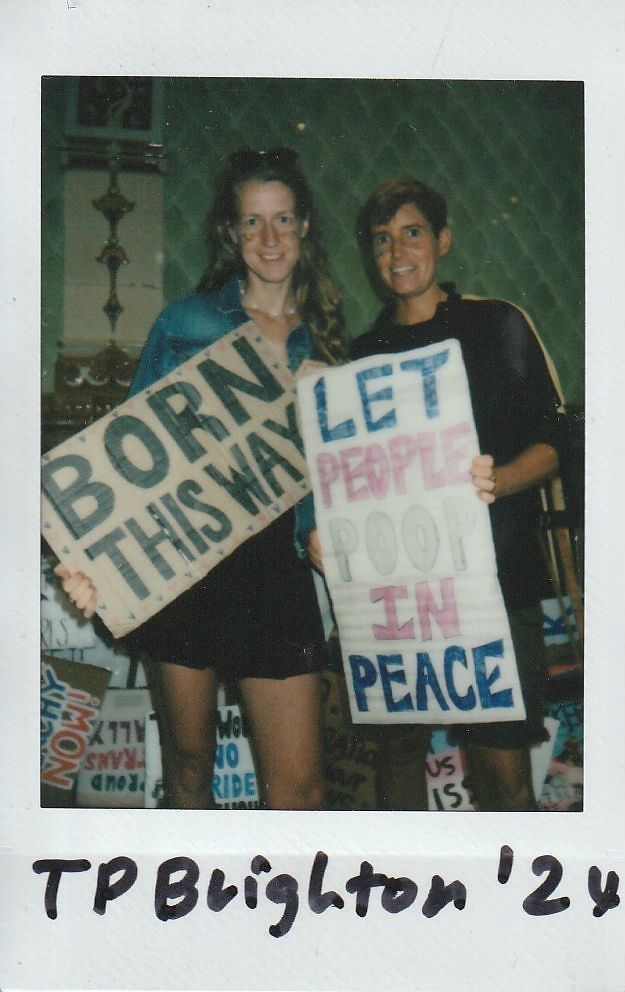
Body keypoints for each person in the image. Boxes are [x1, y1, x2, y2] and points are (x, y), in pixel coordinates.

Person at [55, 147, 347, 810]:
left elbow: (332, 473)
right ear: (231, 233)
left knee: (298, 791)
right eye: (252, 223)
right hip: (181, 567)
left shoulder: (326, 343)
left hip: (275, 571)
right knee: (188, 769)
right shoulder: (184, 323)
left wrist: (323, 535)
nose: (268, 239)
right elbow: (126, 453)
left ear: (304, 227)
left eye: (282, 221)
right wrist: (88, 559)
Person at [307, 178, 564, 812]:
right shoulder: (362, 354)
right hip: (397, 597)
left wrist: (500, 479)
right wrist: (327, 530)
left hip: (496, 582)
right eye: (381, 239)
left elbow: (556, 442)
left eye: (412, 232)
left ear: (442, 241)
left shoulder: (495, 323)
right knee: (398, 760)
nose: (397, 251)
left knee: (502, 769)